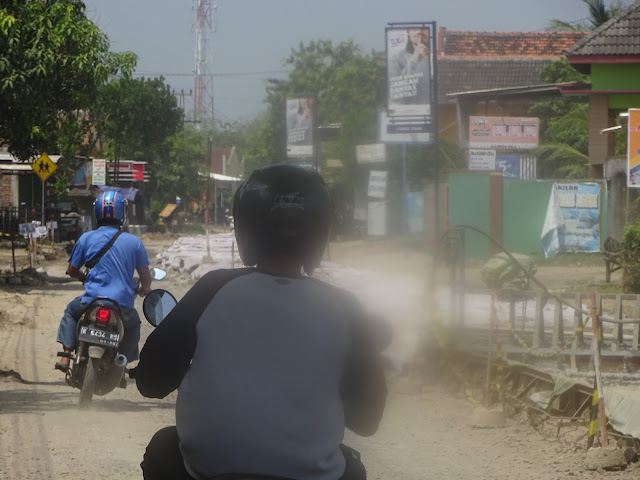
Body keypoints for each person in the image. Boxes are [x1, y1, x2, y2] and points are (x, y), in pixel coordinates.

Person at [136, 164, 388, 480]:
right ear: (320, 230)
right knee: (352, 466)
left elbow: (150, 382)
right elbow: (367, 421)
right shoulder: (344, 306)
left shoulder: (212, 289)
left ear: (246, 226)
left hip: (209, 472)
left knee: (164, 445)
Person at [55, 190, 152, 371]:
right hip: (121, 306)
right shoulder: (134, 242)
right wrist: (144, 288)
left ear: (97, 213)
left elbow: (71, 270)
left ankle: (66, 356)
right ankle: (122, 359)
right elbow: (145, 277)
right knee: (134, 324)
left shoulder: (86, 238)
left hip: (91, 302)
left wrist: (83, 278)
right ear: (122, 213)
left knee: (70, 312)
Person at [388, 28, 431, 109]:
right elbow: (395, 97)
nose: (419, 32)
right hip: (405, 115)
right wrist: (415, 59)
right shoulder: (396, 59)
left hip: (429, 114)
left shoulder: (434, 59)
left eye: (423, 29)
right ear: (408, 32)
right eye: (414, 29)